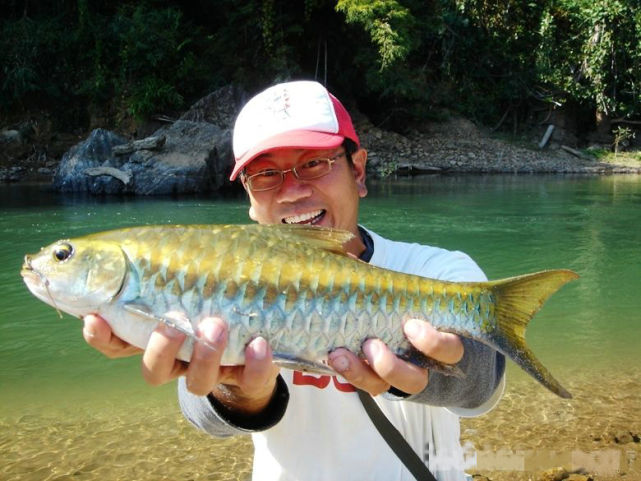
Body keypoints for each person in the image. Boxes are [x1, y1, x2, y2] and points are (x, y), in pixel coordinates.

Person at [83, 80, 506, 481]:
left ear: (358, 171)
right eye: (266, 175)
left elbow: (484, 388)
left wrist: (440, 371)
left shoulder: (438, 272)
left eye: (313, 164)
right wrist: (242, 395)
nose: (291, 192)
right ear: (249, 199)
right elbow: (204, 416)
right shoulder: (219, 277)